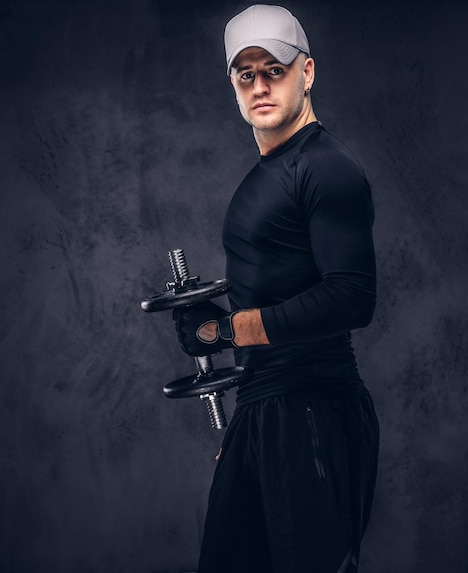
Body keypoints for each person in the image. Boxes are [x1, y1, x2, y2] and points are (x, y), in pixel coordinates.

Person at [172, 5, 380, 573]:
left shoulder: (326, 167)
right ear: (234, 85)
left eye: (275, 70)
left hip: (313, 410)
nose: (260, 86)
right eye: (247, 74)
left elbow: (351, 298)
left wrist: (223, 328)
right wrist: (251, 428)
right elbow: (277, 287)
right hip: (265, 408)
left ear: (306, 72)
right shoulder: (269, 172)